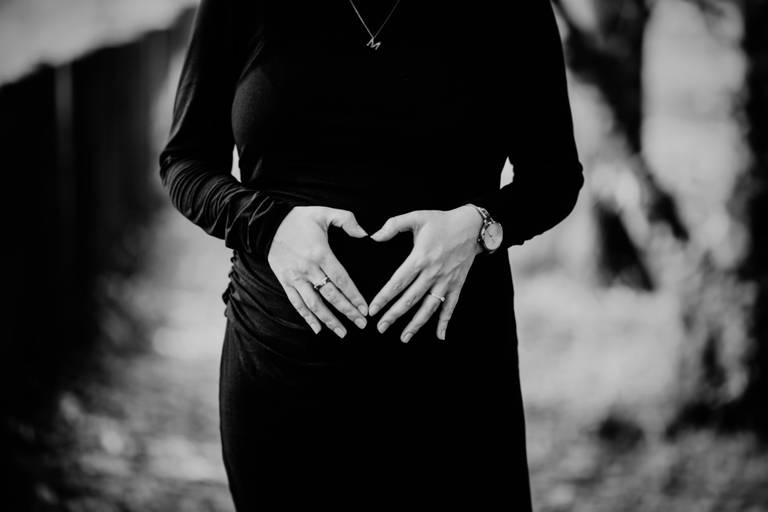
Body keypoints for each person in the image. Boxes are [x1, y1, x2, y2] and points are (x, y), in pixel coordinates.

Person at [158, 0, 584, 509]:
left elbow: (555, 176)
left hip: (454, 374)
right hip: (280, 373)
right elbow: (184, 161)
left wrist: (479, 225)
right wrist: (268, 226)